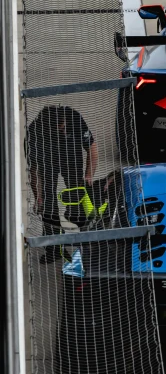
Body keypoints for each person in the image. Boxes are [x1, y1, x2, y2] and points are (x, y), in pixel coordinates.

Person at [26, 105, 98, 262]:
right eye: (58, 130)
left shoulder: (74, 118)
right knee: (48, 205)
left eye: (64, 127)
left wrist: (88, 176)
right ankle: (54, 248)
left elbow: (92, 149)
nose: (63, 131)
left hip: (72, 159)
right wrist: (38, 196)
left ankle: (89, 242)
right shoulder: (34, 132)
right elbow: (34, 170)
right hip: (48, 162)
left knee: (78, 201)